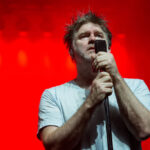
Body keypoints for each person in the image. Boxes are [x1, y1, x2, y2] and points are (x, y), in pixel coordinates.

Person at [37, 11, 150, 150]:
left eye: (98, 35)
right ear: (71, 50)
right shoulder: (53, 95)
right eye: (84, 36)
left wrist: (116, 77)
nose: (92, 39)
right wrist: (91, 102)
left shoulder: (136, 86)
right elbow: (53, 145)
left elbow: (145, 129)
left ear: (108, 47)